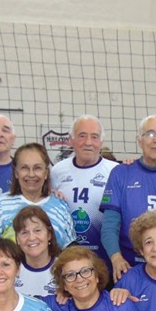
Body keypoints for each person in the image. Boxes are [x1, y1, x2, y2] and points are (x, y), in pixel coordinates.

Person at [100, 115, 156, 280]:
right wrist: (116, 258)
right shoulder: (121, 173)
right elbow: (109, 225)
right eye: (150, 134)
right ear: (139, 140)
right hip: (130, 265)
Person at [50, 115, 118, 273]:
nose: (88, 142)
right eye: (82, 136)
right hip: (68, 257)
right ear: (71, 140)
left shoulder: (115, 171)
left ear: (101, 142)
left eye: (94, 137)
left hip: (105, 258)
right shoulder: (57, 171)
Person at [0, 142, 74, 249]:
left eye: (37, 168)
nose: (31, 174)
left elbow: (69, 251)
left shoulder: (60, 206)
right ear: (16, 173)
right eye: (24, 168)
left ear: (46, 173)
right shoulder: (1, 205)